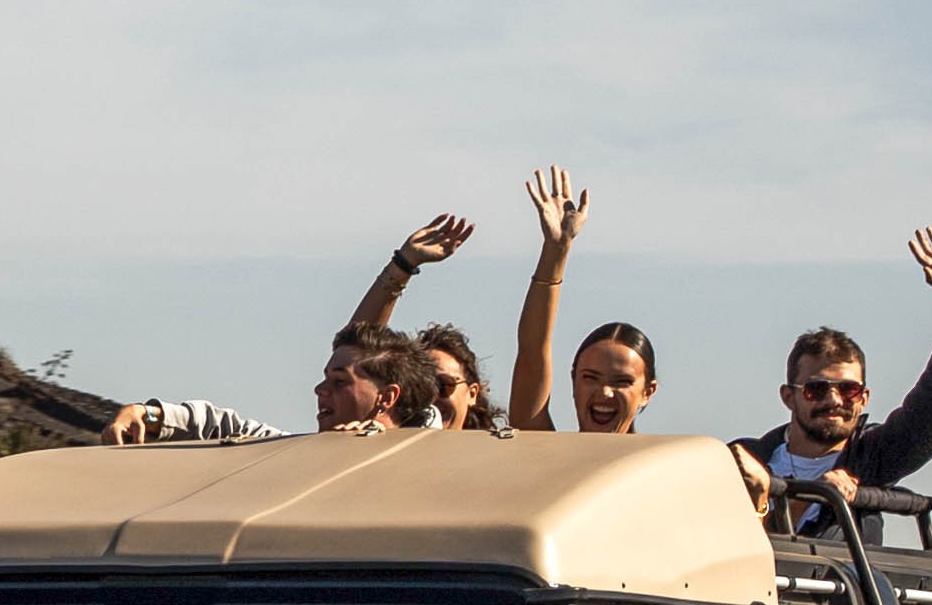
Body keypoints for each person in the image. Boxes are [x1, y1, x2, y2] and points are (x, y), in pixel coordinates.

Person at [733, 228, 932, 524]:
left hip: (842, 572)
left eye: (848, 390)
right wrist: (764, 497)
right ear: (789, 396)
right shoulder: (746, 459)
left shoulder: (872, 457)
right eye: (817, 389)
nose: (834, 400)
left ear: (864, 397)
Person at [500, 168, 658, 434]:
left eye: (622, 381)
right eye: (590, 378)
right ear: (573, 382)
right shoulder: (549, 455)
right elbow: (532, 354)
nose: (605, 393)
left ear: (647, 391)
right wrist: (556, 250)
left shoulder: (664, 468)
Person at [107, 329, 438, 445]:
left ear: (387, 397)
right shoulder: (297, 453)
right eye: (325, 378)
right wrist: (146, 415)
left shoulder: (435, 462)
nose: (320, 390)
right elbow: (225, 429)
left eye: (340, 382)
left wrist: (372, 441)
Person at [343, 214, 504, 431]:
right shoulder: (384, 451)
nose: (431, 398)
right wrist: (403, 264)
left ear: (472, 393)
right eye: (420, 387)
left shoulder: (494, 456)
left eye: (443, 385)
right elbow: (355, 353)